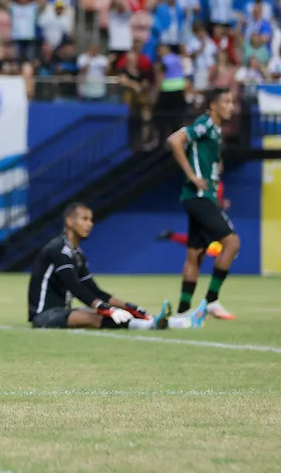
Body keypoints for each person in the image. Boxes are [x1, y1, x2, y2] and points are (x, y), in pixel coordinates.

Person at [28, 203, 206, 330]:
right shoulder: (58, 249)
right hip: (44, 315)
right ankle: (150, 325)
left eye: (91, 220)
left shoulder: (77, 254)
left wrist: (128, 306)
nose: (90, 224)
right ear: (69, 221)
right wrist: (104, 308)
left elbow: (93, 290)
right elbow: (75, 287)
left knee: (110, 312)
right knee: (97, 316)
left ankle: (179, 322)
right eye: (84, 219)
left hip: (64, 311)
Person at [166, 87, 240, 320]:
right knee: (231, 243)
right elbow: (175, 140)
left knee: (195, 254)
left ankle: (182, 311)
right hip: (198, 196)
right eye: (227, 102)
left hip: (201, 197)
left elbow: (206, 158)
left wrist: (215, 169)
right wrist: (191, 175)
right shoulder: (206, 123)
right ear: (214, 105)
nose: (231, 106)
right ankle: (211, 300)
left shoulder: (215, 130)